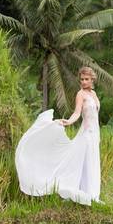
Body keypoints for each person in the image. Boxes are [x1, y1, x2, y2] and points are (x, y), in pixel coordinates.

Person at [15, 66, 102, 205]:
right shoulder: (81, 94)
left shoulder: (94, 94)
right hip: (86, 133)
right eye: (82, 79)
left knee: (91, 162)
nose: (84, 82)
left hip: (94, 134)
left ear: (92, 79)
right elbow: (77, 113)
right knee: (80, 161)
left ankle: (92, 194)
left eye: (86, 79)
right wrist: (68, 122)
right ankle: (81, 192)